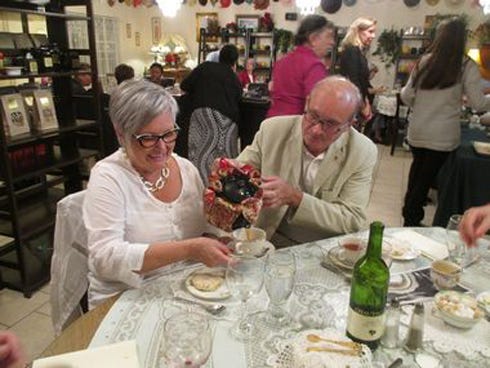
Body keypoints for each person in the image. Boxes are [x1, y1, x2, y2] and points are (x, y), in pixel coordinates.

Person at [83, 80, 231, 308]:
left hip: (185, 290)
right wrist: (190, 249)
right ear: (121, 134)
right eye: (148, 138)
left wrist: (222, 234)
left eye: (169, 133)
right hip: (124, 297)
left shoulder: (186, 169)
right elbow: (105, 257)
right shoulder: (108, 177)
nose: (162, 148)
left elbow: (206, 228)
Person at [237, 76, 378, 247]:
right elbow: (239, 173)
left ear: (349, 124)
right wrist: (227, 174)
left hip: (324, 247)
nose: (317, 130)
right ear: (307, 103)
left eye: (330, 124)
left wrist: (295, 197)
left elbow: (352, 219)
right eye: (313, 116)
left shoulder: (362, 151)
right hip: (268, 236)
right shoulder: (272, 130)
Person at [400, 17, 490, 227]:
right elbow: (477, 102)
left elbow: (407, 95)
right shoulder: (466, 65)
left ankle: (410, 214)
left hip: (418, 130)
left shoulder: (425, 61)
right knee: (425, 180)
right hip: (442, 136)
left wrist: (423, 102)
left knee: (418, 176)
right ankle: (412, 219)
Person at [181, 44, 242, 182]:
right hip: (226, 119)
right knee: (224, 159)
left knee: (199, 154)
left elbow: (184, 85)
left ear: (219, 56)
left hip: (201, 115)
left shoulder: (205, 67)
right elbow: (239, 97)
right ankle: (222, 190)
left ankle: (198, 185)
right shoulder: (233, 77)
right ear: (235, 62)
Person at [267, 15, 335, 118]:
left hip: (272, 122)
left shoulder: (282, 61)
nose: (332, 42)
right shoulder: (314, 66)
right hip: (294, 125)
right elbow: (317, 106)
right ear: (313, 38)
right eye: (328, 36)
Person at [339, 16, 384, 126]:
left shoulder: (358, 52)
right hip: (352, 104)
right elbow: (354, 81)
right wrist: (364, 105)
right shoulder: (352, 51)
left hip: (355, 102)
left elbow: (361, 81)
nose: (373, 36)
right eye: (370, 32)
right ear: (358, 31)